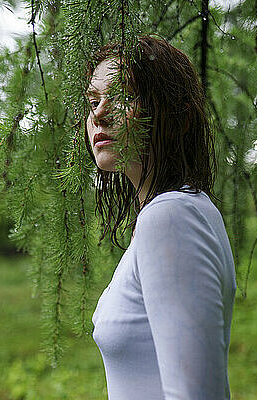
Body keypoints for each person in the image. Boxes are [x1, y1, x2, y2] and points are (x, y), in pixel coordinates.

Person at [85, 35, 236, 400]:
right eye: (93, 100)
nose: (99, 113)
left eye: (120, 96)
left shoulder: (171, 216)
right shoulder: (183, 210)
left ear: (176, 116)